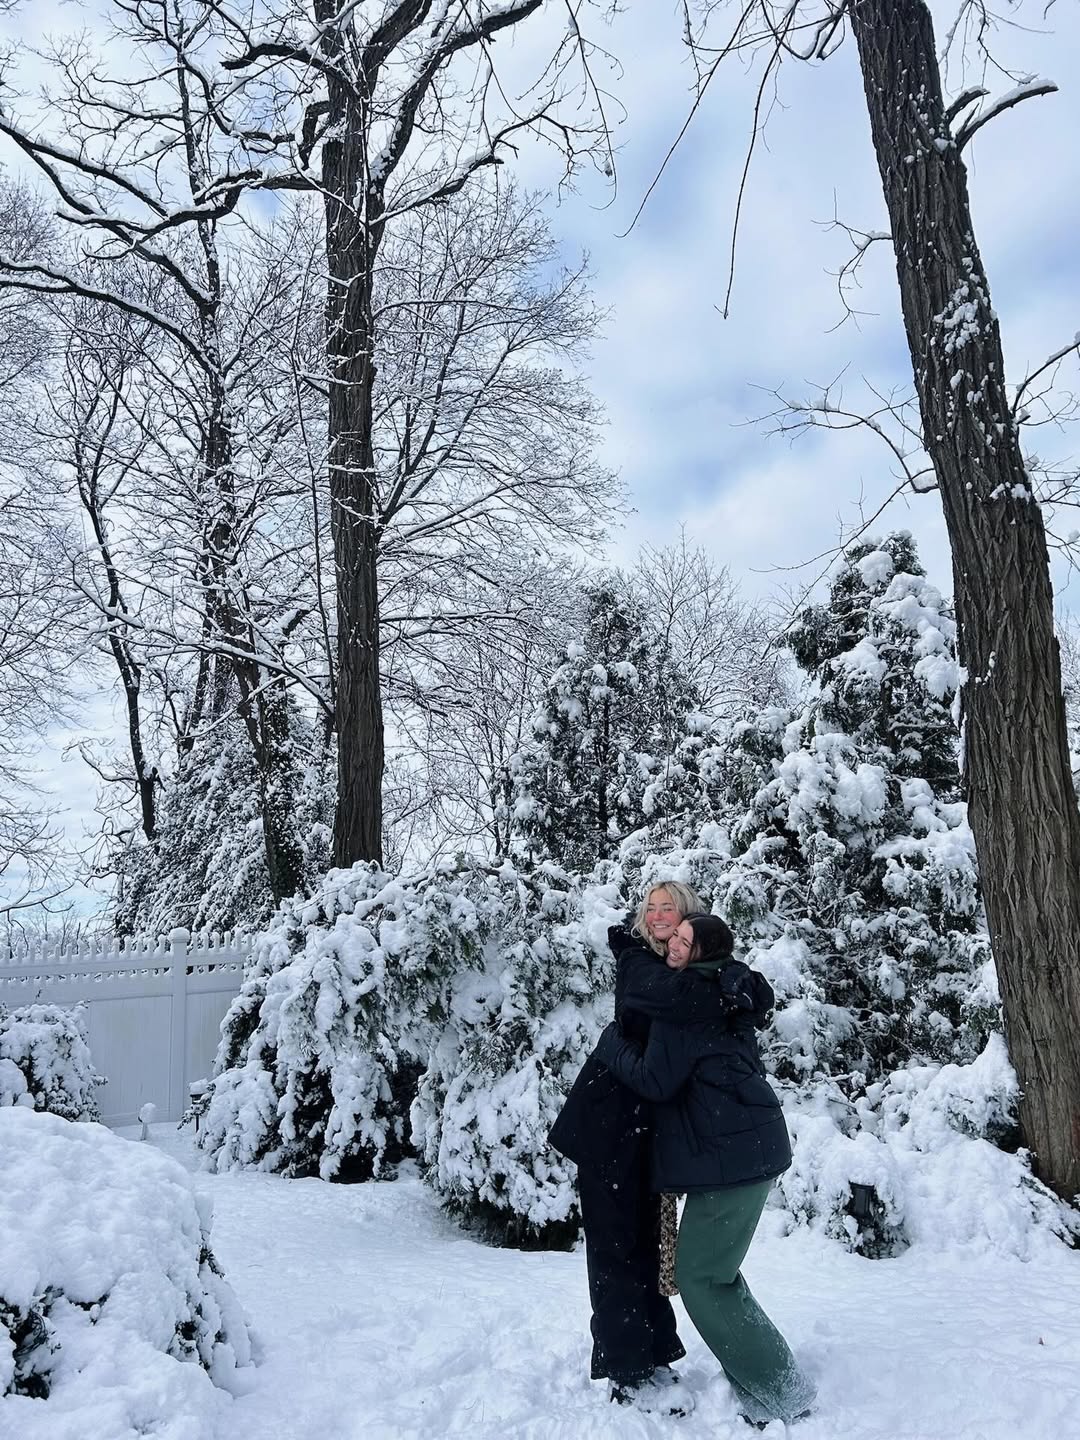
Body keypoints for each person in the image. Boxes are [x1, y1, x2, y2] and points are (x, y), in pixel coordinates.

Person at [595, 912, 816, 1429]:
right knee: (714, 1275)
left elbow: (655, 1080)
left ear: (704, 954)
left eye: (685, 941)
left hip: (734, 1159)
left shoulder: (686, 1004)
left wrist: (611, 1044)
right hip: (744, 1150)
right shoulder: (718, 989)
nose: (674, 944)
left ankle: (783, 1390)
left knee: (703, 1279)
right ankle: (764, 1382)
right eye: (674, 936)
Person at [548, 882, 734, 1416]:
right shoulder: (636, 961)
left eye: (668, 907)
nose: (656, 915)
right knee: (615, 1251)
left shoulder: (683, 969)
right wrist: (728, 984)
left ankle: (654, 1355)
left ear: (687, 917)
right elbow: (680, 999)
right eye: (650, 907)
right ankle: (627, 1371)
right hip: (607, 1127)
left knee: (648, 1247)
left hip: (646, 1134)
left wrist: (739, 983)